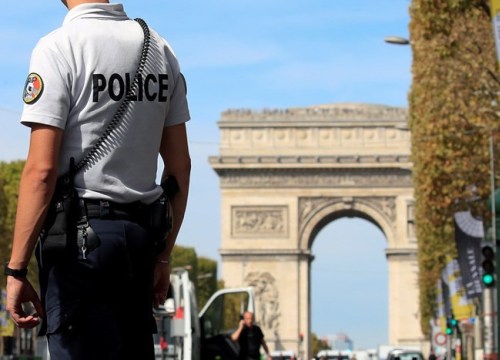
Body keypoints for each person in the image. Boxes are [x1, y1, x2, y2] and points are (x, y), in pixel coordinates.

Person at [5, 1, 191, 359]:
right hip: (140, 241)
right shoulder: (160, 48)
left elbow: (41, 172)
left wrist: (15, 268)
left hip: (79, 245)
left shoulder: (59, 47)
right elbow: (179, 167)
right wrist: (163, 258)